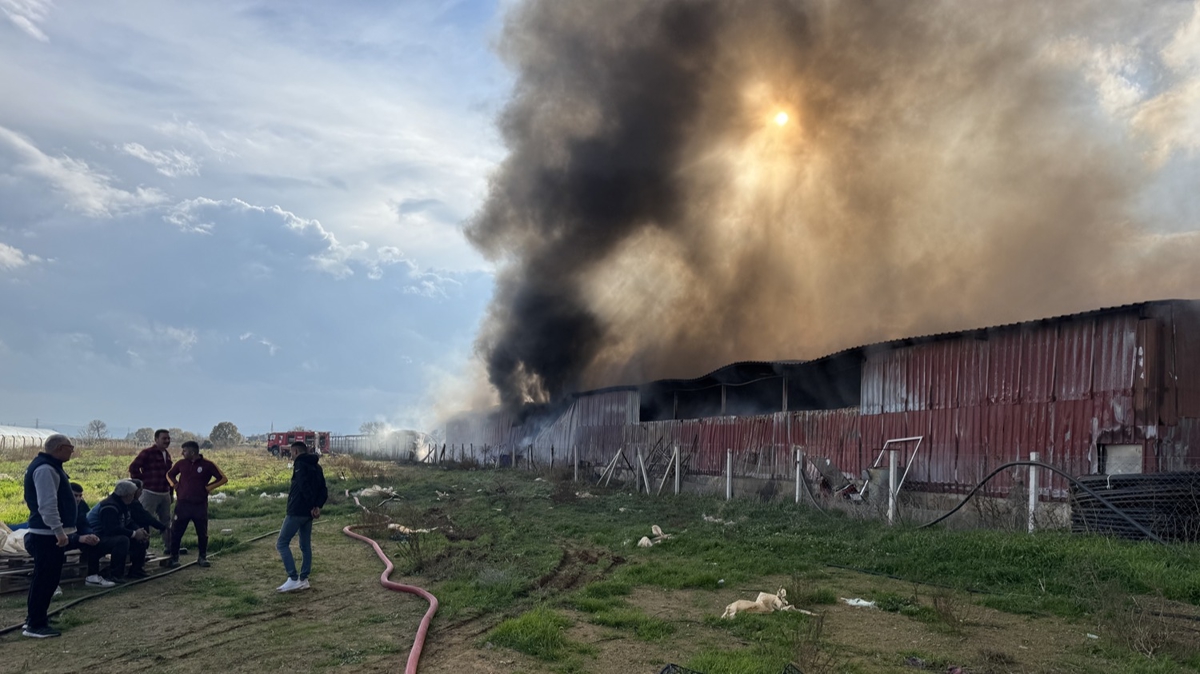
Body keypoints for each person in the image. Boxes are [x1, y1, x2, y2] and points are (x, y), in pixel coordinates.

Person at [22, 434, 77, 638]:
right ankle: (35, 624)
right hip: (46, 534)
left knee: (48, 579)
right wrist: (58, 531)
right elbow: (47, 504)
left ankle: (37, 617)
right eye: (70, 447)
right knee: (45, 580)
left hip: (48, 533)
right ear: (60, 448)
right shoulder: (46, 469)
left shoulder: (49, 466)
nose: (72, 450)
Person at [276, 440, 327, 593]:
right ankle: (304, 579)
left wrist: (311, 505)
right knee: (305, 545)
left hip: (297, 511)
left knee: (282, 543)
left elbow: (304, 486)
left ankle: (293, 578)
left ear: (296, 452)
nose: (291, 456)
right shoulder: (317, 467)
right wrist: (317, 506)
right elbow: (323, 489)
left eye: (291, 453)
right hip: (309, 513)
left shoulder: (299, 464)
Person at [166, 441, 227, 568]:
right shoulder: (181, 463)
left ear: (192, 452)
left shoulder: (208, 465)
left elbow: (223, 478)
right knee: (176, 531)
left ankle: (202, 557)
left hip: (199, 505)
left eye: (184, 451)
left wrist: (208, 487)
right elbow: (169, 474)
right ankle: (174, 557)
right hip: (182, 504)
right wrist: (175, 484)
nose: (182, 453)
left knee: (202, 532)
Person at [128, 429, 180, 556]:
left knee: (166, 521)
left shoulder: (167, 455)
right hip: (149, 493)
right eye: (164, 438)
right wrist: (142, 483)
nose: (167, 441)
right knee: (144, 521)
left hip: (164, 493)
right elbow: (133, 468)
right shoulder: (147, 453)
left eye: (168, 438)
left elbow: (169, 475)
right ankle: (142, 549)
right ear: (156, 439)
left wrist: (171, 492)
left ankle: (170, 547)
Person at [85, 481, 148, 583]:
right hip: (96, 537)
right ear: (126, 495)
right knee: (122, 540)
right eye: (133, 494)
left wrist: (138, 530)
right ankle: (115, 574)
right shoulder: (109, 506)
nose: (134, 497)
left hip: (107, 534)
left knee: (140, 539)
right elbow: (111, 529)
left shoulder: (123, 503)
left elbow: (128, 521)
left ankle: (136, 570)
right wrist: (134, 534)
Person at [67, 483, 112, 588]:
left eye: (80, 496)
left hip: (75, 537)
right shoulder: (58, 506)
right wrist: (78, 538)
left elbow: (84, 524)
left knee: (93, 543)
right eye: (75, 495)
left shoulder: (81, 505)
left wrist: (91, 534)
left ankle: (92, 576)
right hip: (56, 539)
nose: (78, 499)